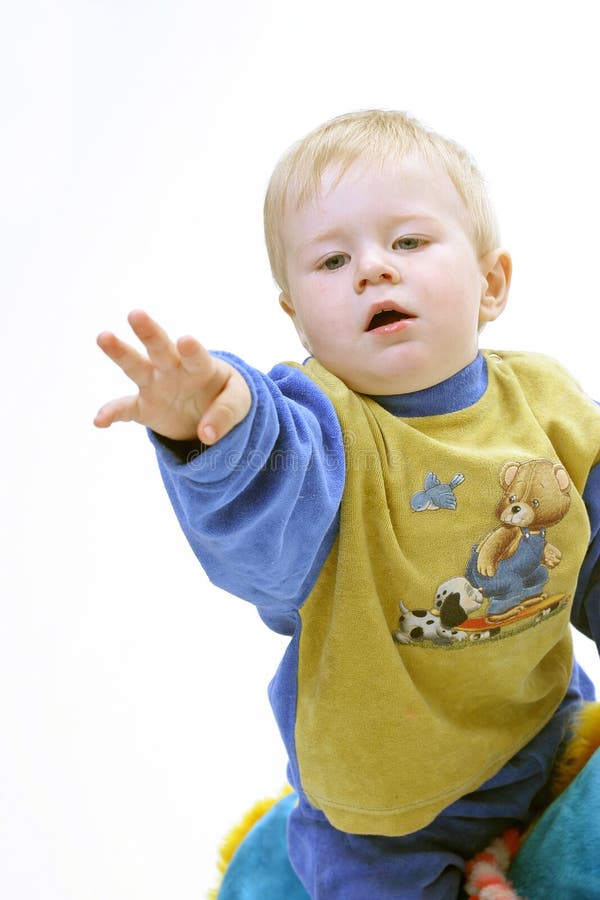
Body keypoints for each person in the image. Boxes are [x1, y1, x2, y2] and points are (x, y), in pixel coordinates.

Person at [95, 110, 600, 899]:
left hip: (539, 727)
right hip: (386, 813)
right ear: (298, 317)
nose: (372, 269)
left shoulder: (547, 402)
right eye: (332, 260)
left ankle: (509, 851)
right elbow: (265, 514)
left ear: (491, 283)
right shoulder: (320, 429)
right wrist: (221, 428)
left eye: (406, 242)